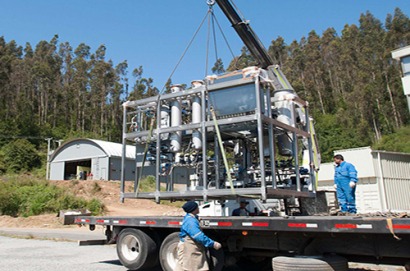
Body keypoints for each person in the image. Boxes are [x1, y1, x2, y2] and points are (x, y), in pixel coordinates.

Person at [177, 201, 222, 271]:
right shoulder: (190, 222)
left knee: (185, 267)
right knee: (191, 268)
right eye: (197, 207)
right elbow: (199, 236)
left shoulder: (191, 218)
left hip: (189, 247)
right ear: (193, 209)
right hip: (188, 249)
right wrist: (213, 244)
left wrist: (198, 218)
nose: (198, 208)